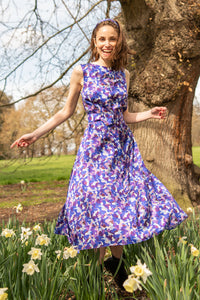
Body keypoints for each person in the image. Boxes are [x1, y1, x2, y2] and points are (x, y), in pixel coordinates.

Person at [11, 19, 188, 290]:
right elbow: (65, 112)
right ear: (94, 41)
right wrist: (35, 134)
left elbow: (124, 115)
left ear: (119, 42)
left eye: (112, 39)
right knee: (95, 208)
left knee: (120, 207)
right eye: (102, 39)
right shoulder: (82, 73)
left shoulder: (124, 75)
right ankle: (93, 278)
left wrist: (150, 113)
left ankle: (117, 272)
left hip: (121, 150)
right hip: (95, 150)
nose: (107, 44)